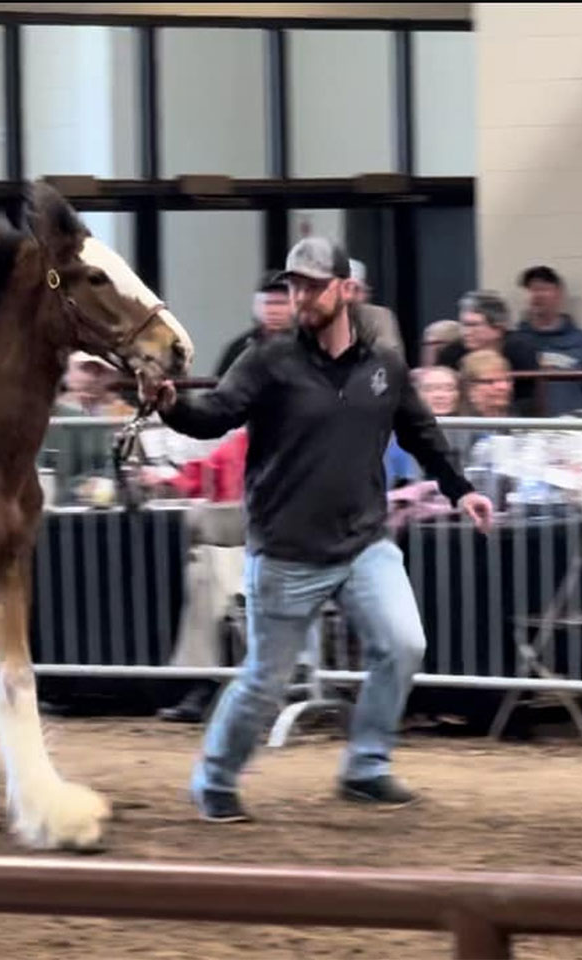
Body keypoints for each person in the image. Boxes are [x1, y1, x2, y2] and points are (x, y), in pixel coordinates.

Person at [154, 236, 493, 823]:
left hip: (365, 543)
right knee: (266, 680)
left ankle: (366, 766)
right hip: (287, 550)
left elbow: (420, 432)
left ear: (347, 290)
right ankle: (215, 779)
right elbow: (215, 414)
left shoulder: (383, 362)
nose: (301, 295)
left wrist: (461, 489)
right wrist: (169, 404)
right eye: (294, 285)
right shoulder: (268, 360)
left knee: (404, 644)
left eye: (313, 284)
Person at [514, 265, 582, 417]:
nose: (536, 295)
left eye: (543, 289)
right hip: (527, 435)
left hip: (577, 434)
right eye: (531, 290)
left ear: (559, 293)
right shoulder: (515, 344)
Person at [215, 273, 294, 376]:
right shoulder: (239, 350)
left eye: (281, 303)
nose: (275, 311)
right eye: (268, 303)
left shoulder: (311, 348)